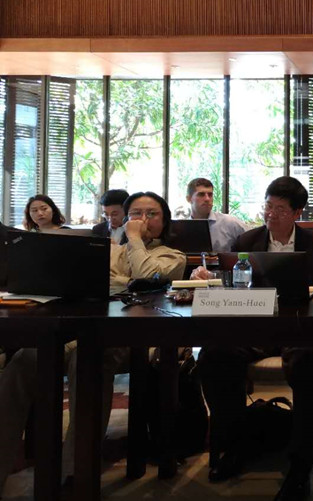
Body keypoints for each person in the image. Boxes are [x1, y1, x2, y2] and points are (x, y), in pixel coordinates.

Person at [0, 191, 185, 495]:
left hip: (129, 336)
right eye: (135, 214)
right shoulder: (106, 251)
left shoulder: (171, 255)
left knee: (89, 359)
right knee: (24, 360)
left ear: (164, 222)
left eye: (151, 214)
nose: (142, 220)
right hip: (80, 327)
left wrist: (132, 240)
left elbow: (147, 276)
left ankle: (74, 475)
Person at [195, 176, 313, 501]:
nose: (271, 214)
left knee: (310, 363)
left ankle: (301, 463)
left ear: (297, 212)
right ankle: (232, 446)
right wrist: (211, 277)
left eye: (280, 209)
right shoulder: (247, 240)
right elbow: (232, 286)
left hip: (302, 329)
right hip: (254, 329)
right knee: (214, 355)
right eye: (268, 206)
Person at [184, 177, 246, 252]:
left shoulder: (230, 223)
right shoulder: (183, 228)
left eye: (210, 195)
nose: (207, 199)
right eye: (201, 194)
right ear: (189, 199)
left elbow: (255, 238)